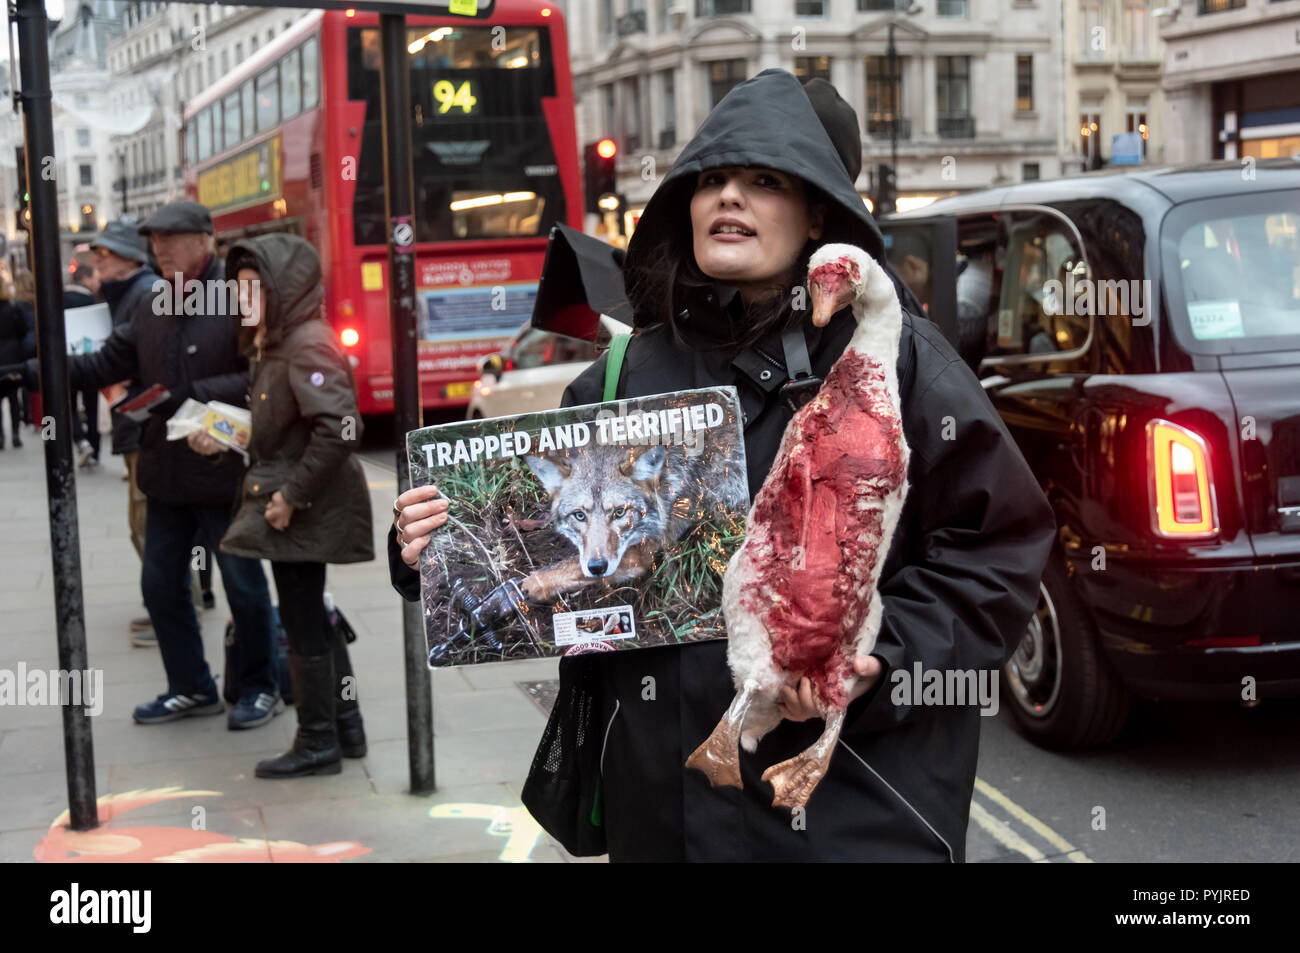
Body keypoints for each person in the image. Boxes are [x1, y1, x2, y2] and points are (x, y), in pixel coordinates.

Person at [393, 71, 1057, 862]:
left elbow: (998, 542)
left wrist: (889, 653)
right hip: (665, 818)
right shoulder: (626, 374)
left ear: (817, 212)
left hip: (852, 815)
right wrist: (425, 547)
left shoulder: (892, 360)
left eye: (764, 181)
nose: (729, 198)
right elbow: (530, 555)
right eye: (712, 180)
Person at [2, 200, 282, 729]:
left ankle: (259, 686)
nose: (160, 250)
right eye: (154, 241)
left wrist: (192, 393)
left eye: (171, 239)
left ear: (205, 239)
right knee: (159, 586)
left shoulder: (238, 295)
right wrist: (30, 373)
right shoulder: (153, 303)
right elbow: (106, 362)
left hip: (225, 471)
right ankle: (190, 686)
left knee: (243, 587)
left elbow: (264, 374)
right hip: (167, 472)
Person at [188, 233, 374, 777]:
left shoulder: (307, 344)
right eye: (239, 291)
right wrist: (227, 436)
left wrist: (291, 498)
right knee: (311, 612)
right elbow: (283, 428)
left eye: (253, 291)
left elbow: (341, 429)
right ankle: (346, 727)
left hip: (305, 505)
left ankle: (318, 743)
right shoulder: (279, 342)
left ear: (282, 291)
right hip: (296, 500)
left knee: (301, 617)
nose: (243, 302)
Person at [89, 219, 160, 644]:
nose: (97, 262)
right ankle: (169, 604)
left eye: (105, 254)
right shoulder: (132, 293)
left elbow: (142, 359)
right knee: (144, 519)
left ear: (129, 258)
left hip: (141, 422)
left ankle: (170, 606)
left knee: (145, 519)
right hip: (135, 420)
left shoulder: (144, 293)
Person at [65, 254, 102, 467]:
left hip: (67, 359)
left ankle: (80, 440)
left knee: (68, 405)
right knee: (91, 405)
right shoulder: (90, 300)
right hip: (90, 358)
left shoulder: (59, 298)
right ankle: (94, 447)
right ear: (86, 280)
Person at [0, 280, 25, 449]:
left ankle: (1, 436)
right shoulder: (13, 308)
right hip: (12, 356)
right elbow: (22, 330)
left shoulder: (13, 307)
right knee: (13, 397)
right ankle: (16, 433)